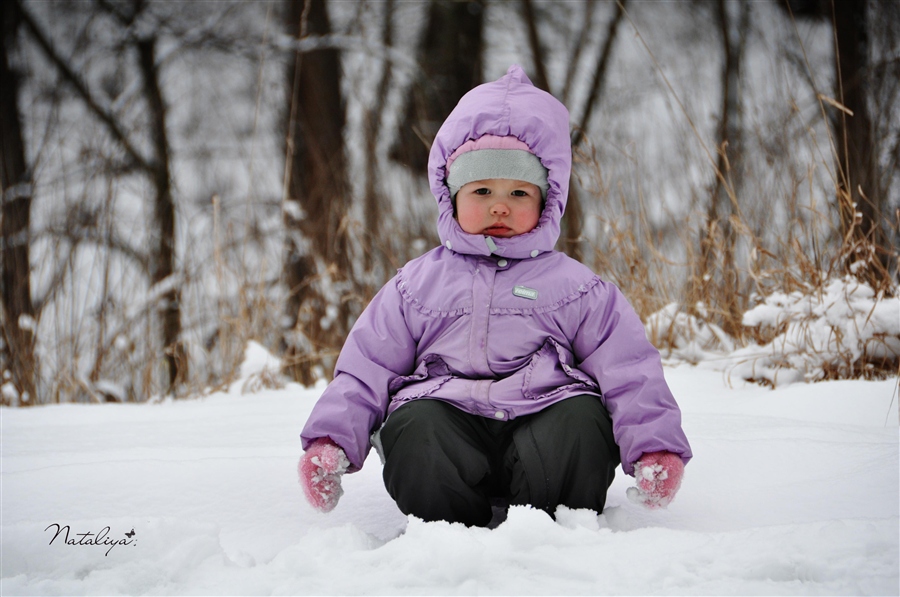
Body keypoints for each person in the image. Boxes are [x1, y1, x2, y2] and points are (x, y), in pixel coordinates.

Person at [298, 65, 692, 528]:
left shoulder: (577, 288)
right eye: (482, 190)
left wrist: (654, 445)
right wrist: (331, 443)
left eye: (519, 192)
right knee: (415, 424)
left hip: (544, 430)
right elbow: (367, 368)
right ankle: (444, 531)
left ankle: (553, 526)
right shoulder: (415, 285)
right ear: (450, 195)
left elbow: (628, 370)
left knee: (581, 418)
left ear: (547, 202)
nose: (499, 205)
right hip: (449, 430)